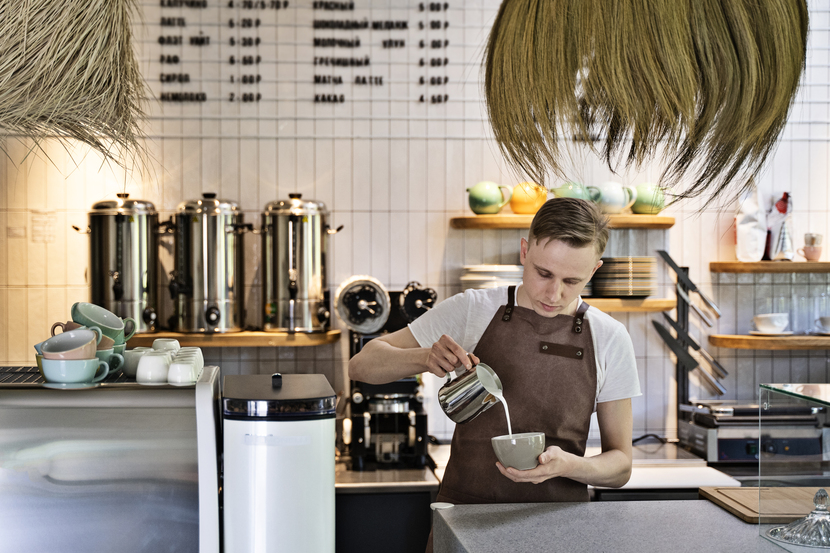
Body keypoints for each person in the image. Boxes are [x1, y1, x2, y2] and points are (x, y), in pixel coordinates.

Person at [348, 197, 641, 550]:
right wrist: (424, 358)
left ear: (594, 271)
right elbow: (362, 364)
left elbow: (620, 466)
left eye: (572, 281)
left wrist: (568, 466)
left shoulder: (609, 337)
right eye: (543, 273)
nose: (554, 293)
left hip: (560, 532)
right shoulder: (474, 309)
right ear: (523, 252)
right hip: (465, 524)